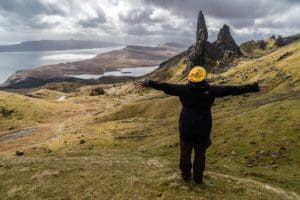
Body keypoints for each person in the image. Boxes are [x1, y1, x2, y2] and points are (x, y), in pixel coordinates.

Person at [136, 66, 267, 184]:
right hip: (203, 129)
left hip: (186, 128)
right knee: (200, 155)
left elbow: (165, 86)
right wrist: (254, 87)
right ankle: (198, 179)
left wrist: (148, 83)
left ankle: (186, 176)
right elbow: (232, 89)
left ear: (190, 78)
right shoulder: (212, 90)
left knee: (185, 154)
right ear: (204, 78)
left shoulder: (183, 90)